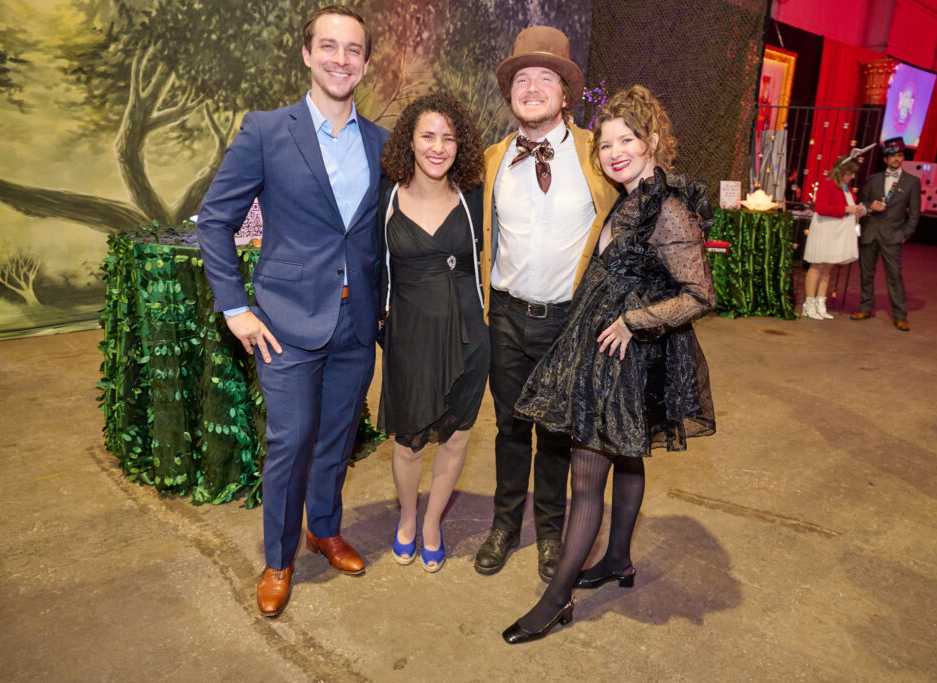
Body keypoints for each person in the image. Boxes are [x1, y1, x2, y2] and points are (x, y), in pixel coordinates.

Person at [502, 86, 715, 644]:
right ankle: (617, 558)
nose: (615, 151)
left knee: (587, 476)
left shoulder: (665, 209)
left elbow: (699, 295)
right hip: (605, 354)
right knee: (626, 454)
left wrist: (635, 321)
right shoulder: (627, 198)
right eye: (607, 143)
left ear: (652, 141)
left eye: (628, 140)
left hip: (623, 355)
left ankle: (557, 598)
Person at [195, 5, 388, 618]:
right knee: (290, 443)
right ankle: (279, 560)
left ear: (364, 62)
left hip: (357, 325)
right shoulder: (265, 131)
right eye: (328, 46)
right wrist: (235, 308)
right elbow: (216, 223)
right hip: (284, 326)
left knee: (336, 438)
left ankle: (323, 529)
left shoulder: (382, 142)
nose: (340, 58)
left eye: (352, 49)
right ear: (307, 54)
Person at [474, 26, 619, 582]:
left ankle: (552, 533)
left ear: (565, 94)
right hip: (506, 318)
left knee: (557, 434)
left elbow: (633, 213)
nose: (532, 88)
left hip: (570, 322)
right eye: (522, 78)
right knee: (509, 428)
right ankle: (505, 525)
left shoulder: (596, 154)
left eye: (546, 78)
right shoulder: (491, 160)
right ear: (511, 92)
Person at [376, 91, 487, 572]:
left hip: (469, 337)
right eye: (428, 136)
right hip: (409, 338)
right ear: (410, 141)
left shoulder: (474, 199)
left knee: (458, 438)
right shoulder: (385, 199)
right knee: (408, 441)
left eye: (449, 137)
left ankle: (432, 523)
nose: (438, 147)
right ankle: (407, 516)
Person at [851, 137, 920, 331]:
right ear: (885, 159)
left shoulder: (912, 182)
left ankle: (900, 315)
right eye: (892, 156)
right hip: (871, 231)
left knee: (894, 275)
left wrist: (905, 234)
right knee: (866, 273)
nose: (896, 159)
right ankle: (865, 307)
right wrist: (869, 206)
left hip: (893, 235)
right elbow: (861, 202)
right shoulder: (873, 179)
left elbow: (914, 214)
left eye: (899, 155)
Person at [801, 156, 865, 320]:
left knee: (827, 269)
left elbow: (850, 207)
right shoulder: (827, 184)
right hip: (825, 229)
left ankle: (820, 303)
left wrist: (858, 210)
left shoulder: (845, 188)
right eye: (850, 173)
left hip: (837, 231)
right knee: (816, 267)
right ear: (842, 171)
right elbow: (821, 207)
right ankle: (809, 304)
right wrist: (846, 209)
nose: (852, 177)